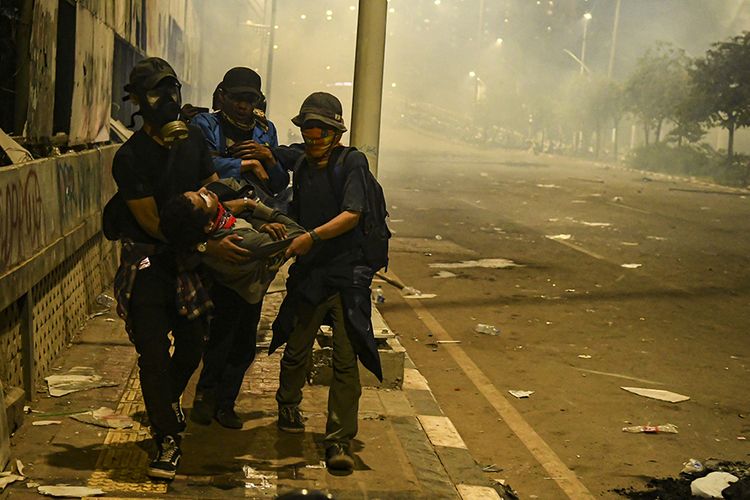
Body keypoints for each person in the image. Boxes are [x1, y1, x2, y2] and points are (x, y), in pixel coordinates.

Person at [109, 57, 250, 480]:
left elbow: (210, 187)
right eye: (157, 92)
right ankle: (167, 439)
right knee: (153, 354)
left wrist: (235, 210)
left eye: (173, 90)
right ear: (137, 101)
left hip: (189, 264)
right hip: (150, 261)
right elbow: (154, 223)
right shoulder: (130, 158)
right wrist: (208, 242)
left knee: (191, 346)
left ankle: (164, 406)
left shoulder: (190, 143)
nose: (168, 100)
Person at [269, 92, 382, 472]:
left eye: (320, 134)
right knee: (296, 345)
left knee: (346, 362)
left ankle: (338, 440)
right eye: (308, 134)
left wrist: (312, 238)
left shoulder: (352, 164)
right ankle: (287, 404)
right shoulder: (302, 165)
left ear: (335, 133)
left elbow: (353, 213)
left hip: (348, 276)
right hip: (311, 274)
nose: (314, 142)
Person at [188, 67, 289, 429]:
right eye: (238, 99)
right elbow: (196, 165)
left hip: (257, 224)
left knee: (245, 328)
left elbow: (277, 183)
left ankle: (223, 400)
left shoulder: (266, 131)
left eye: (251, 100)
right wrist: (243, 163)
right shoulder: (204, 126)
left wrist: (270, 157)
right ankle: (205, 396)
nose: (245, 107)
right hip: (218, 225)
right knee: (220, 324)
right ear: (223, 97)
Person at [159, 182, 306, 305]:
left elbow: (232, 185)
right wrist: (253, 205)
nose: (204, 189)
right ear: (208, 225)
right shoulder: (238, 240)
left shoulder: (217, 219)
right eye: (202, 197)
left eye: (198, 191)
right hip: (239, 300)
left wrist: (259, 224)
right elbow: (298, 232)